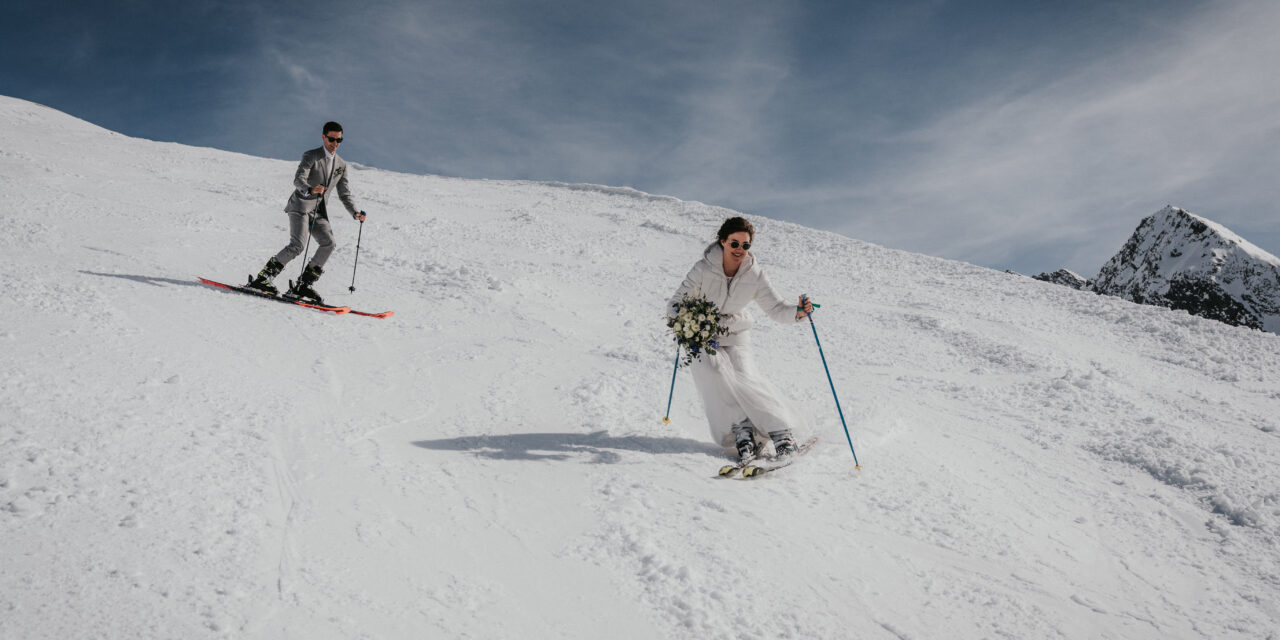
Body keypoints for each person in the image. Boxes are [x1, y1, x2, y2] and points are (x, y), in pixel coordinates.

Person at [667, 216, 815, 463]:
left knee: (745, 375)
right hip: (702, 335)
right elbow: (675, 305)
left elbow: (776, 308)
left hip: (735, 331)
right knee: (714, 374)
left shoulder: (754, 274)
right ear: (723, 241)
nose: (739, 250)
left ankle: (781, 433)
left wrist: (798, 312)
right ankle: (742, 433)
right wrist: (686, 324)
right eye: (734, 243)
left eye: (745, 246)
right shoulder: (703, 269)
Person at [247, 121, 367, 303]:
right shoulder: (311, 155)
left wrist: (355, 213)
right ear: (323, 137)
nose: (335, 143)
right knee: (297, 245)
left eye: (339, 140)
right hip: (300, 206)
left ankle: (303, 285)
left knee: (329, 243)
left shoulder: (341, 165)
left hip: (318, 211)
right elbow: (298, 179)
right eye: (332, 139)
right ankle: (263, 279)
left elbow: (344, 193)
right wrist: (310, 189)